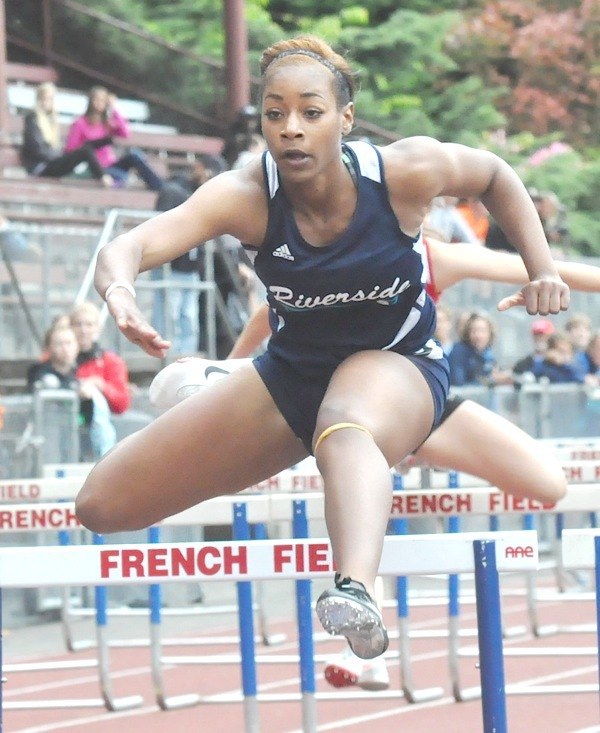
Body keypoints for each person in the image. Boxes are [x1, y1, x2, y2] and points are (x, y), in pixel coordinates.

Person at [75, 35, 569, 663]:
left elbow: (495, 175)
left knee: (351, 419)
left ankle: (356, 589)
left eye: (311, 112)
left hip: (400, 367)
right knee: (103, 504)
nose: (291, 130)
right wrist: (118, 289)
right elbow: (135, 245)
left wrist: (542, 266)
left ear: (346, 119)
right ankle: (284, 427)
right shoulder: (245, 197)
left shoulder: (405, 173)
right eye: (274, 114)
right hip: (292, 375)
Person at [27, 322, 117, 460]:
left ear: (76, 347)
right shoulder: (39, 372)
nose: (65, 349)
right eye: (59, 344)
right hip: (47, 442)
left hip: (73, 443)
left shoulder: (77, 376)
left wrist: (87, 399)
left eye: (69, 343)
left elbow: (85, 420)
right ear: (49, 348)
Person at [64, 86, 163, 191]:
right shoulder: (80, 123)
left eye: (102, 100)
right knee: (122, 176)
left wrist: (114, 108)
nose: (99, 103)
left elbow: (125, 133)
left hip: (110, 165)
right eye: (96, 99)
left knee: (135, 156)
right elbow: (70, 149)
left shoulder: (106, 123)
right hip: (95, 169)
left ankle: (160, 187)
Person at [20, 82, 114, 186]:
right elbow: (37, 149)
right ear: (38, 99)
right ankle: (103, 178)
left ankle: (101, 178)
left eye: (50, 99)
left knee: (87, 149)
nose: (46, 102)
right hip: (40, 167)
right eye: (44, 98)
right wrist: (57, 156)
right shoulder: (32, 119)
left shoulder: (51, 119)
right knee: (85, 150)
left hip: (50, 163)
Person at [69, 301, 131, 458]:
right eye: (78, 324)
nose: (83, 330)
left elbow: (122, 403)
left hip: (97, 430)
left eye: (89, 325)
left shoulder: (111, 361)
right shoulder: (58, 360)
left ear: (97, 328)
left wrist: (100, 385)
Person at [448, 311, 513, 387]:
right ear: (467, 333)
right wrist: (492, 381)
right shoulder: (459, 352)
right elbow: (458, 385)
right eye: (474, 331)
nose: (478, 335)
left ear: (490, 333)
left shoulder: (488, 354)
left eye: (482, 331)